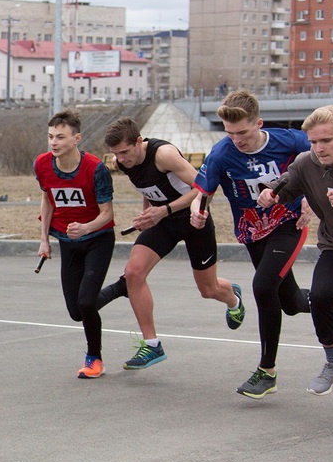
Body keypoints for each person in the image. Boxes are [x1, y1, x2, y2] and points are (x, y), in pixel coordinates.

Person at [191, 90, 333, 399]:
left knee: (263, 286)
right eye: (230, 133)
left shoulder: (291, 141)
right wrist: (197, 212)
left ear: (259, 123)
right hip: (254, 231)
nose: (237, 139)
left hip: (288, 223)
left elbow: (320, 164)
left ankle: (266, 372)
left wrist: (310, 199)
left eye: (242, 132)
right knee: (291, 302)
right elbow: (203, 193)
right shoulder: (221, 153)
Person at [97, 117, 243, 370]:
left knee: (208, 290)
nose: (121, 159)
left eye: (125, 152)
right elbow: (147, 186)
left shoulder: (163, 154)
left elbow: (204, 188)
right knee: (133, 273)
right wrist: (147, 215)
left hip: (194, 220)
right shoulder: (122, 162)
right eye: (116, 154)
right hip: (163, 223)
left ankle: (233, 299)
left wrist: (164, 210)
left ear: (139, 142)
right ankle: (152, 345)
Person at [258, 105, 333, 396]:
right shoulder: (307, 163)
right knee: (320, 295)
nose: (318, 149)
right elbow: (286, 186)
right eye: (313, 142)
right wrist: (270, 193)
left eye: (326, 141)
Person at [35, 109, 115, 379]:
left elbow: (107, 213)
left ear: (77, 138)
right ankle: (122, 287)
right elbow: (47, 199)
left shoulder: (96, 169)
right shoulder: (43, 165)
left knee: (86, 301)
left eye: (60, 137)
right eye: (50, 137)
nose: (53, 142)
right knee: (76, 311)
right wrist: (44, 239)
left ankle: (95, 359)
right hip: (67, 241)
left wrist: (86, 228)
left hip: (97, 239)